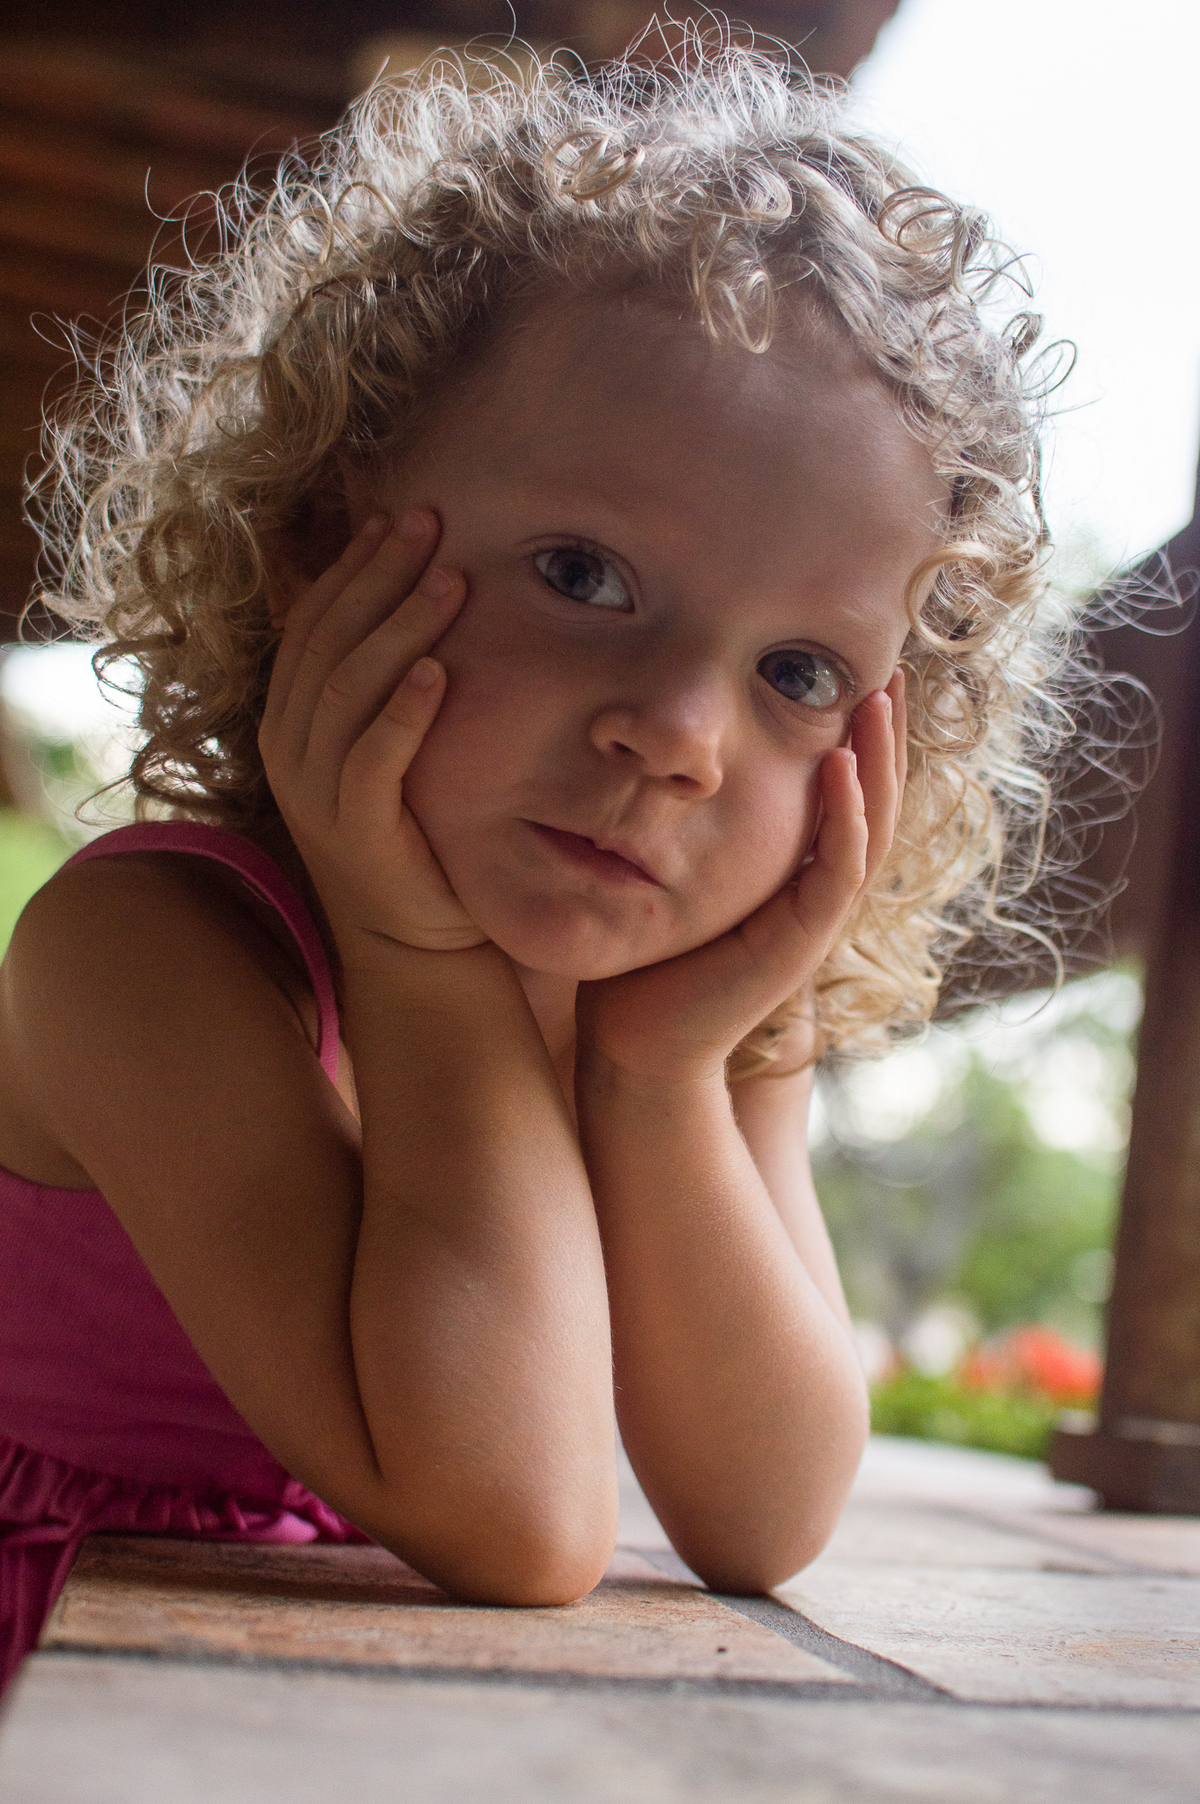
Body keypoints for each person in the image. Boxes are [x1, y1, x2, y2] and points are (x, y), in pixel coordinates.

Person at [0, 37, 1062, 1692]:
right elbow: (518, 1521)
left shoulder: (681, 1009)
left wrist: (662, 1080)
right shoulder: (148, 953)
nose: (681, 736)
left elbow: (762, 1510)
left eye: (797, 675)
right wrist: (419, 967)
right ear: (321, 552)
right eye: (585, 573)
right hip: (70, 1680)